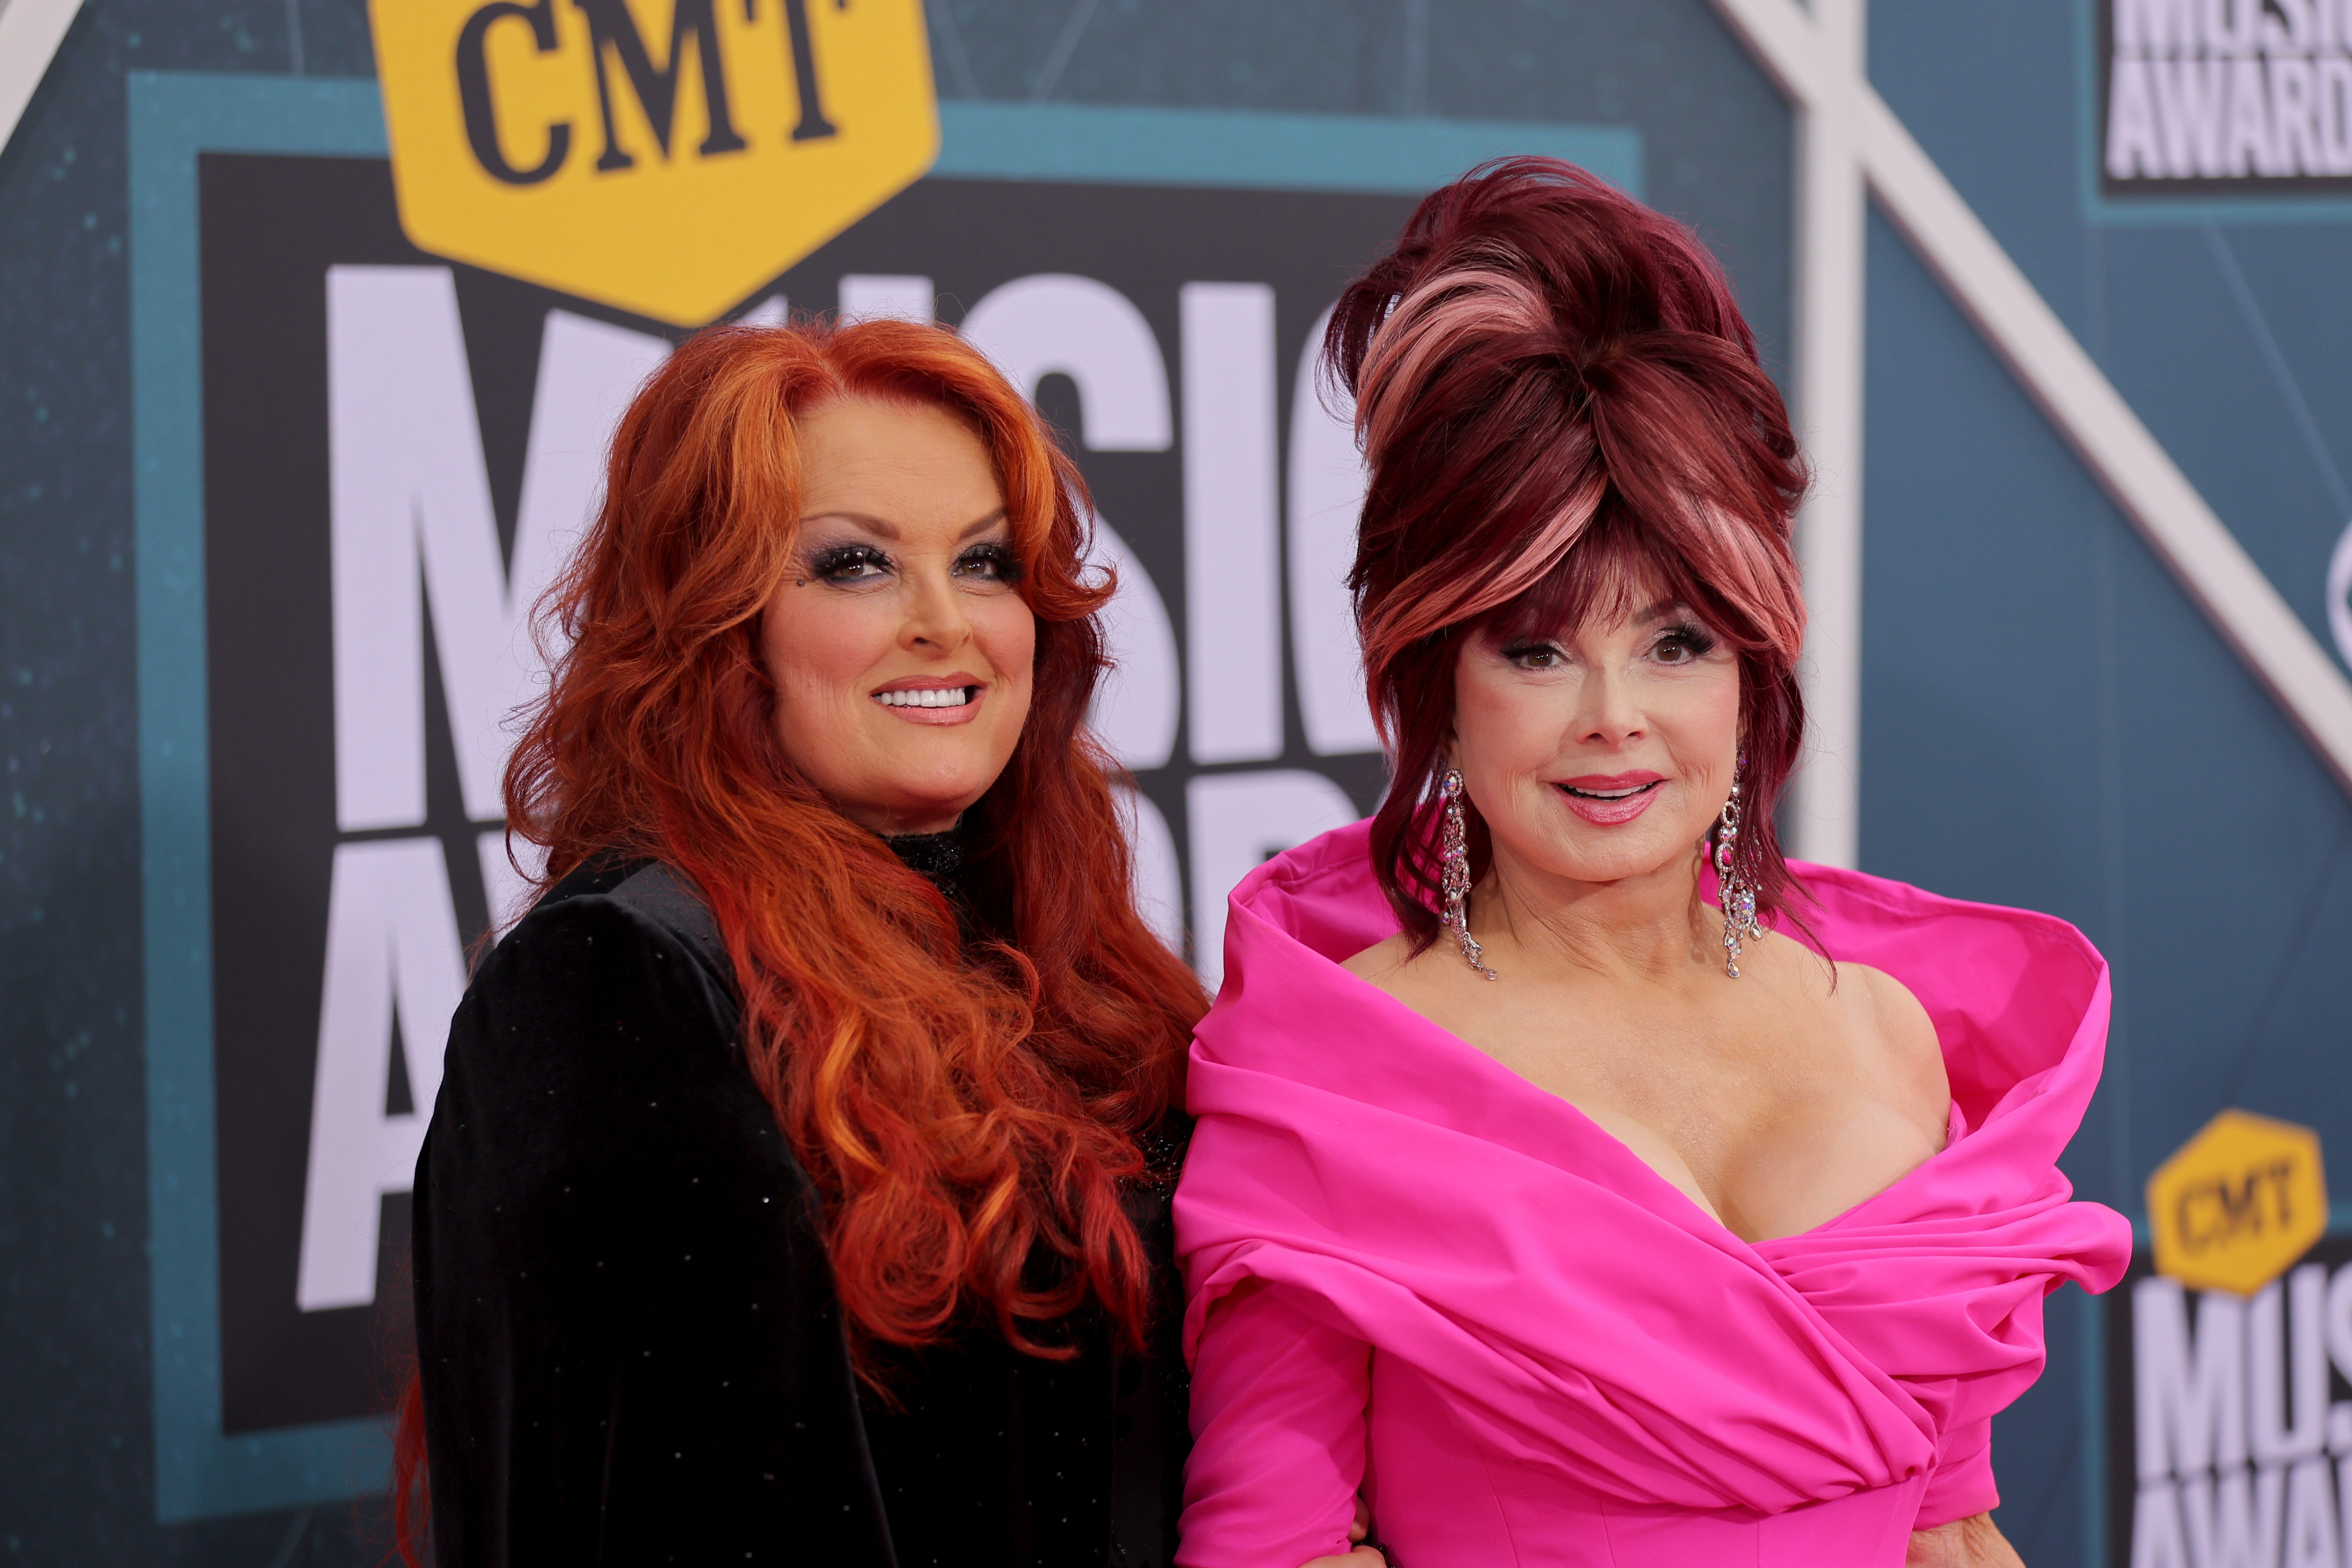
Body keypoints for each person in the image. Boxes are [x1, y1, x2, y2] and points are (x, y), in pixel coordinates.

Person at [1172, 160, 2132, 1568]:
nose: (1615, 715)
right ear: (1438, 675)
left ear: (1751, 668)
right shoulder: (1337, 1065)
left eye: (1676, 643)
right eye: (1539, 648)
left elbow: (1951, 1526)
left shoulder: (1880, 1027)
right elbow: (1280, 1548)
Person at [399, 317, 1206, 1567]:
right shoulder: (619, 985)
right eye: (855, 567)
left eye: (986, 562)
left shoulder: (1069, 964)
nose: (946, 622)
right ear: (724, 624)